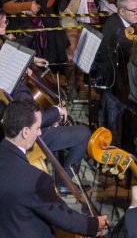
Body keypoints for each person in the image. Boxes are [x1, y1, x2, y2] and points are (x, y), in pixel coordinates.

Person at [0, 100, 108, 237]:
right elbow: (62, 216)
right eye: (37, 128)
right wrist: (93, 224)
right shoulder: (35, 180)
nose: (40, 133)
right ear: (25, 132)